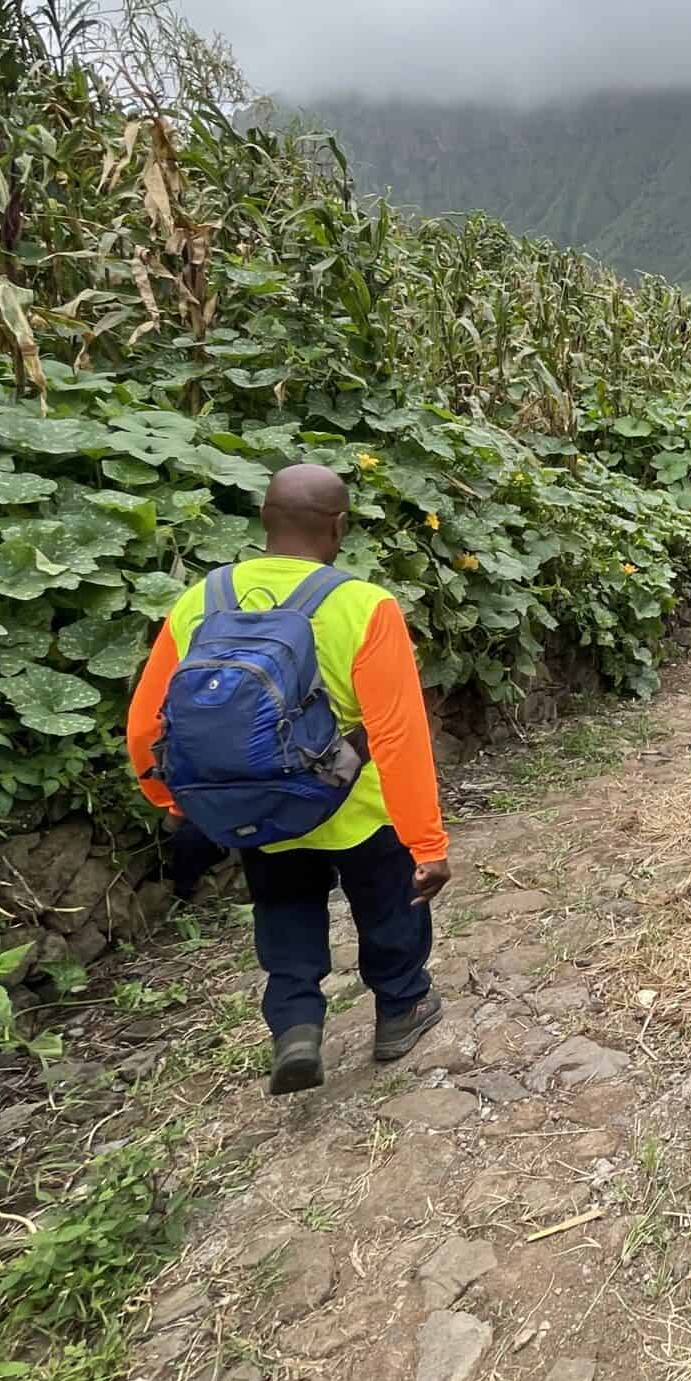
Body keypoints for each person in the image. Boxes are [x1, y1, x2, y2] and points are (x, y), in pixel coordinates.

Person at [125, 463, 453, 1094]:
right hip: (353, 806)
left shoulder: (202, 599)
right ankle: (400, 1009)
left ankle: (297, 1025)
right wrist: (427, 843)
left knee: (284, 910)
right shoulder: (363, 605)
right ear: (339, 527)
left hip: (259, 806)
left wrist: (172, 800)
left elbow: (146, 721)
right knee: (389, 908)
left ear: (265, 520)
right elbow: (398, 736)